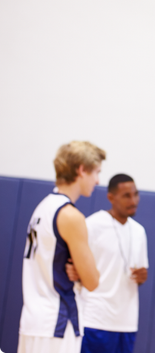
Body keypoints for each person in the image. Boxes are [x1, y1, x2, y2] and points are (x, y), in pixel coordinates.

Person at [18, 141, 105, 353]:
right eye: (96, 172)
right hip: (57, 323)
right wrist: (83, 273)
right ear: (82, 170)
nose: (98, 180)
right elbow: (93, 281)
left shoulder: (42, 207)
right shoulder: (71, 216)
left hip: (32, 320)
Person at [66, 174, 149, 353]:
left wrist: (142, 277)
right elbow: (75, 269)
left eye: (136, 194)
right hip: (95, 319)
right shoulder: (91, 225)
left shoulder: (139, 231)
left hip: (126, 323)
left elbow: (140, 276)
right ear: (111, 197)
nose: (133, 200)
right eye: (126, 195)